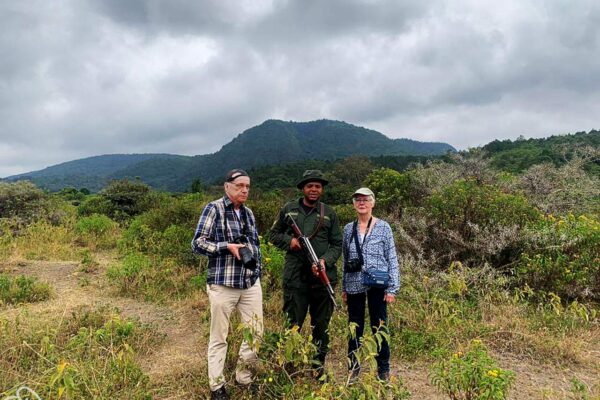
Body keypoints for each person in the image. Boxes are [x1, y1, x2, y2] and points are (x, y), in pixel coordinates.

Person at [191, 169, 263, 400]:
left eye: (247, 186)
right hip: (223, 283)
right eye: (240, 185)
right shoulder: (214, 209)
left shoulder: (249, 213)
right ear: (227, 186)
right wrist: (226, 247)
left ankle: (244, 377)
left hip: (249, 282)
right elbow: (198, 243)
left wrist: (257, 269)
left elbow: (255, 246)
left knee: (255, 333)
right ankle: (216, 387)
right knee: (219, 335)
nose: (244, 190)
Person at [269, 170, 342, 378]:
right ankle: (289, 367)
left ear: (322, 189)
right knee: (292, 323)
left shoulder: (329, 213)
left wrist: (324, 261)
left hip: (322, 278)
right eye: (310, 186)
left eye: (318, 186)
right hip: (295, 278)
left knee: (321, 326)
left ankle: (318, 368)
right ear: (303, 188)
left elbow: (337, 244)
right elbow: (273, 234)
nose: (314, 189)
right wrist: (289, 242)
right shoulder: (288, 210)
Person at [341, 187, 400, 383]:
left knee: (379, 326)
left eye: (366, 199)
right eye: (358, 199)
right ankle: (354, 369)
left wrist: (392, 288)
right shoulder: (348, 229)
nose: (362, 203)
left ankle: (383, 370)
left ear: (373, 203)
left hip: (378, 284)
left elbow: (392, 258)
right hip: (354, 283)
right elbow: (345, 260)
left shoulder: (384, 227)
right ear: (353, 204)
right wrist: (344, 287)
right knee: (354, 327)